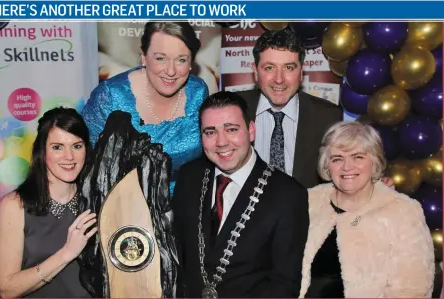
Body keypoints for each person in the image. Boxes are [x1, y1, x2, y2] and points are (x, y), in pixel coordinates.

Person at [173, 91, 309, 298]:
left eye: (231, 129)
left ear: (251, 130)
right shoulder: (189, 176)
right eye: (210, 132)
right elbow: (177, 256)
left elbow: (284, 285)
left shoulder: (287, 195)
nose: (221, 142)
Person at [300, 121, 435, 298]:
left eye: (358, 157)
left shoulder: (403, 211)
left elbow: (413, 290)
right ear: (326, 165)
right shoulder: (307, 202)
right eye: (337, 159)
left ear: (375, 162)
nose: (347, 167)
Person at [82, 21, 209, 194]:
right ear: (144, 57)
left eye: (181, 60)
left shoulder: (198, 93)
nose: (170, 71)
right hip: (127, 209)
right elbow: (86, 159)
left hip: (187, 203)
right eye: (160, 58)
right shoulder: (111, 96)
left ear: (191, 62)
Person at [0, 107, 97, 298]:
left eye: (77, 146)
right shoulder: (15, 205)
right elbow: (6, 290)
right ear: (42, 151)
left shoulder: (97, 200)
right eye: (57, 147)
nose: (69, 156)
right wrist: (67, 253)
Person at [236, 28, 343, 188]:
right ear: (255, 71)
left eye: (289, 68)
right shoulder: (233, 109)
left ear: (301, 72)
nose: (279, 79)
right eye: (269, 68)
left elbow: (343, 172)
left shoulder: (328, 117)